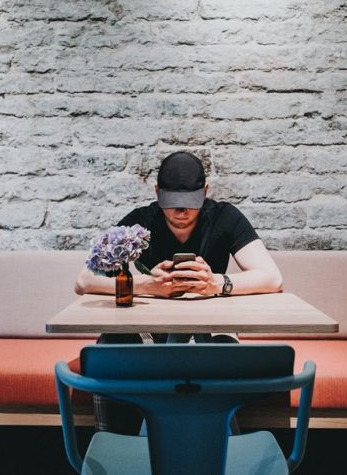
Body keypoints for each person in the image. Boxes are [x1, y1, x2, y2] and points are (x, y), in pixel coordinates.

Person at [73, 151, 284, 433]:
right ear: (157, 193)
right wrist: (148, 286)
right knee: (112, 347)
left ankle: (215, 448)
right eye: (172, 203)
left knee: (219, 353)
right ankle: (122, 446)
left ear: (205, 192)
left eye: (190, 203)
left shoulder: (224, 217)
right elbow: (83, 280)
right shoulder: (142, 221)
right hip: (149, 329)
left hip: (211, 326)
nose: (181, 212)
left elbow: (272, 277)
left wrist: (217, 283)